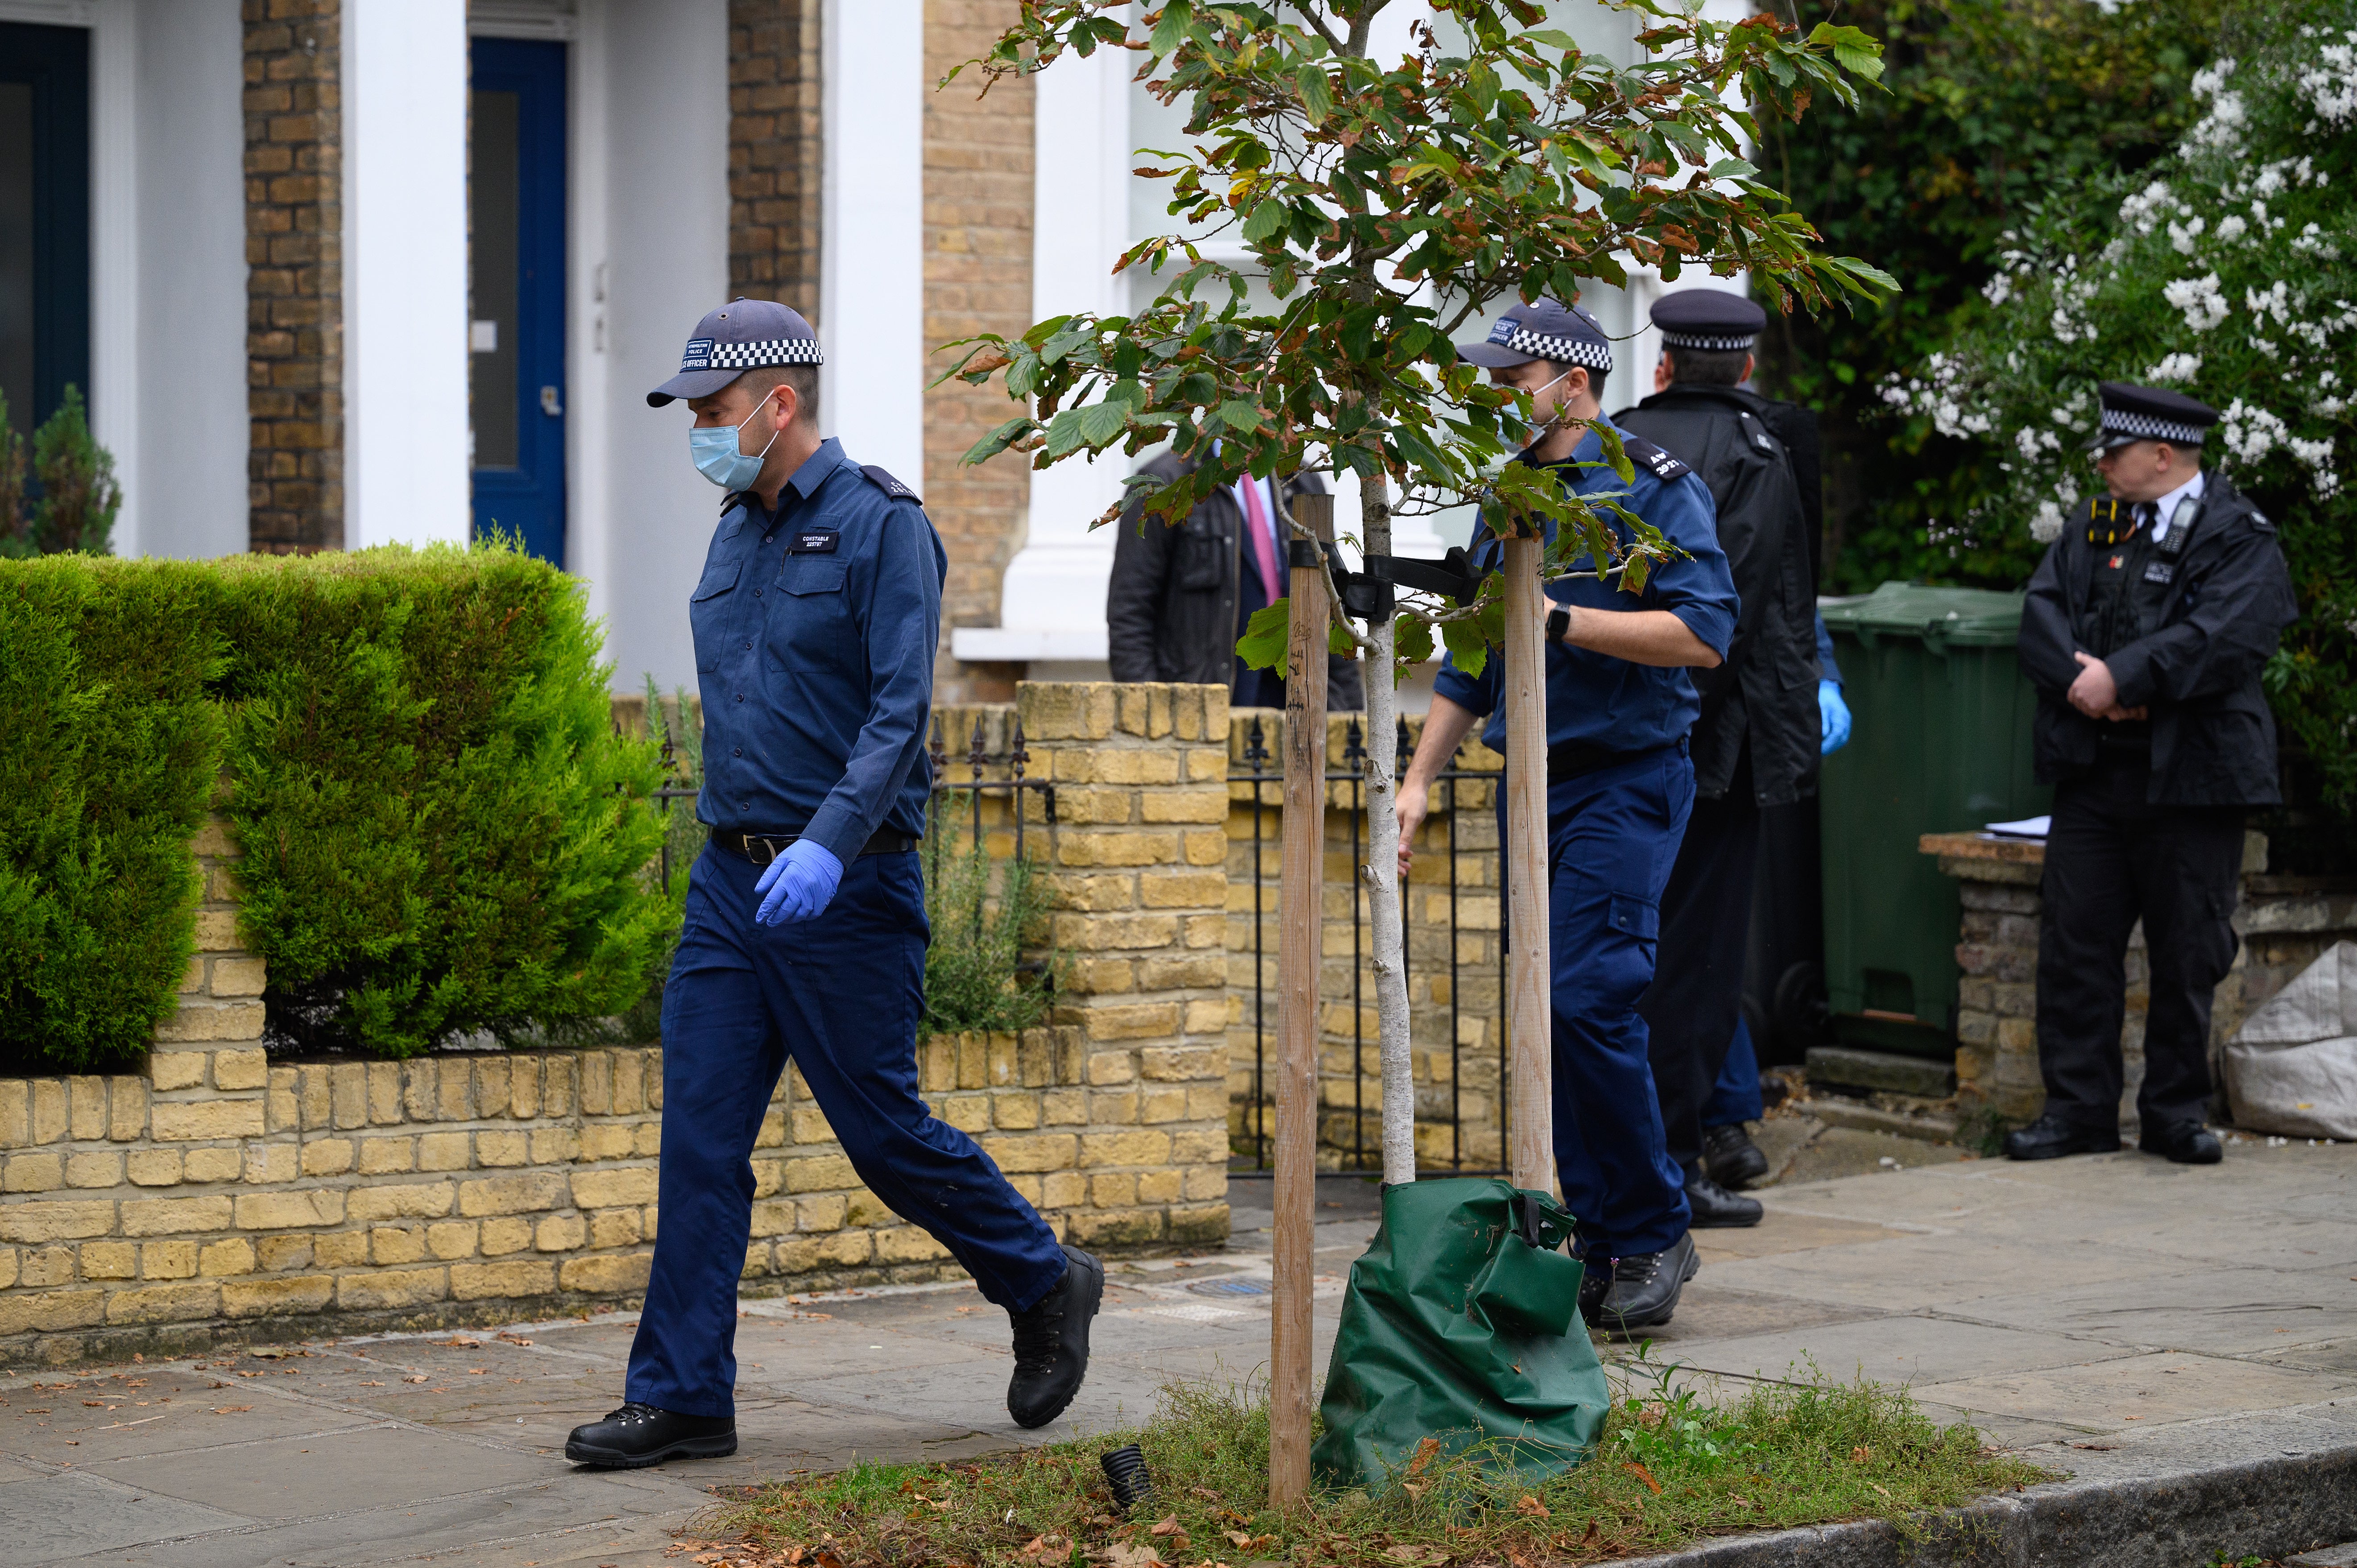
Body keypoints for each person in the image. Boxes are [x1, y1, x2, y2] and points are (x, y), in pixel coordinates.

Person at [565, 301, 1102, 1469]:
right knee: (700, 1141)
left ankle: (1044, 1277)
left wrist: (827, 838)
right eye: (695, 415)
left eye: (711, 412)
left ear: (779, 403)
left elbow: (900, 707)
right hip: (728, 885)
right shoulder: (734, 531)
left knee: (884, 1136)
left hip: (844, 887)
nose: (700, 431)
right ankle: (684, 1393)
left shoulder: (878, 527)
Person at [1395, 298, 1739, 1332]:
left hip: (1624, 777)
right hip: (1528, 779)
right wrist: (1416, 782)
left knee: (1591, 997)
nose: (1494, 396)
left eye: (1509, 380)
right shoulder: (1506, 500)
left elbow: (1703, 633)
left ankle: (1649, 1229)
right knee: (1544, 1015)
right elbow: (1472, 657)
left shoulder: (1649, 489)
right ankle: (1595, 1237)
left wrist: (1562, 618)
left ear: (1572, 383)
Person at [2008, 381, 2296, 1165]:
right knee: (2074, 947)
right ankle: (2077, 1112)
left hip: (2192, 780)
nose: (2101, 466)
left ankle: (2173, 1113)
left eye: (2113, 453)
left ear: (2161, 456)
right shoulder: (2095, 523)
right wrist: (2084, 688)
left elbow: (2225, 636)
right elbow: (2040, 611)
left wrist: (2125, 680)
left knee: (2185, 950)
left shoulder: (2238, 534)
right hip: (2095, 772)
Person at [1612, 291, 1826, 1229]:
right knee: (1694, 967)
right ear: (1743, 366)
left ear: (1662, 363)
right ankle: (1671, 1161)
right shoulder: (1761, 453)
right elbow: (1726, 615)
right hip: (1714, 745)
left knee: (1621, 956)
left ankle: (1628, 1155)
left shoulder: (1615, 439)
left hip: (1610, 736)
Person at [1702, 615, 1852, 1190]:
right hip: (1660, 736)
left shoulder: (1748, 522)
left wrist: (1822, 675)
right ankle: (1699, 1127)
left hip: (1725, 747)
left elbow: (1786, 593)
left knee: (1707, 945)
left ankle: (1721, 1121)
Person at [1106, 450, 1365, 710]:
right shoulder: (1165, 482)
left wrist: (1349, 711)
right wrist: (1153, 713)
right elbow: (1130, 612)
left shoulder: (1300, 478)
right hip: (1201, 707)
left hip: (1299, 702)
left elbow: (1330, 601)